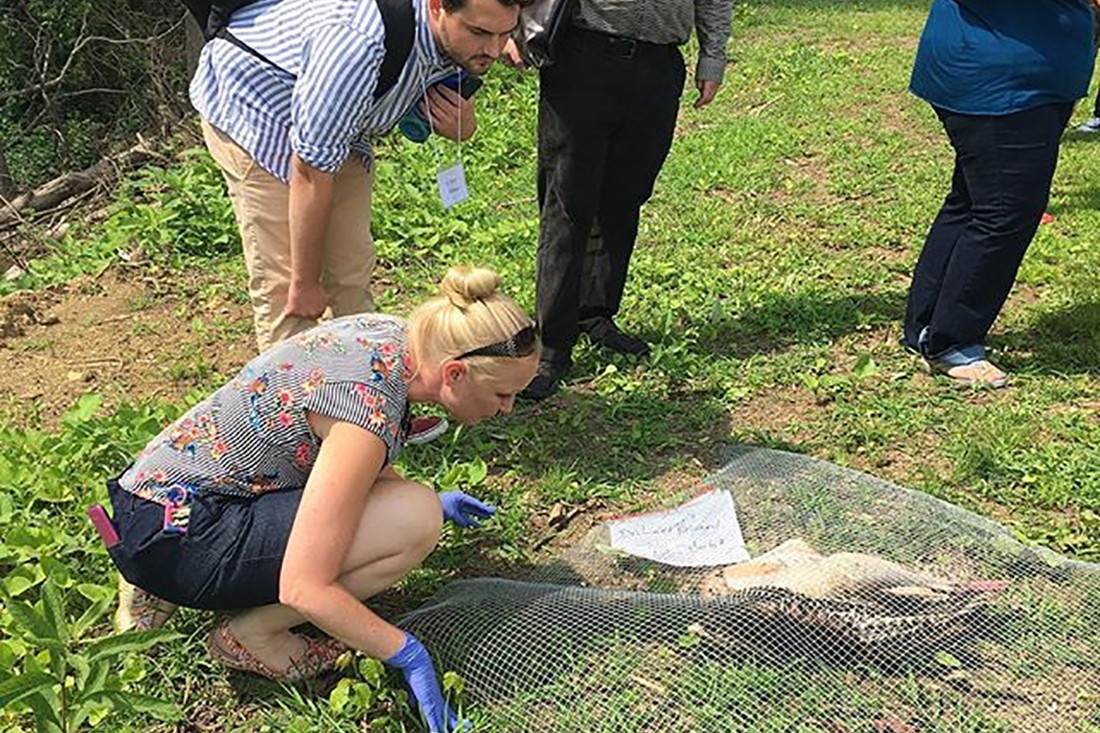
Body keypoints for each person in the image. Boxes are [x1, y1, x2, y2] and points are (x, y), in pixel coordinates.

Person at [104, 267, 538, 733]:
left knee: (414, 503)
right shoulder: (364, 410)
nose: (506, 409)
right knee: (414, 520)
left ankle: (151, 586)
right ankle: (253, 636)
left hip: (149, 502)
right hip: (186, 538)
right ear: (453, 373)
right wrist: (408, 654)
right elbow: (303, 586)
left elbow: (343, 456)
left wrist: (425, 494)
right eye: (502, 394)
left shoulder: (389, 336)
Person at [191, 0, 528, 352]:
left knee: (350, 271)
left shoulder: (458, 35)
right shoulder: (357, 42)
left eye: (505, 33)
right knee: (287, 291)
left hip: (341, 123)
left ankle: (360, 392)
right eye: (479, 32)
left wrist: (461, 122)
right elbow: (310, 170)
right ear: (436, 6)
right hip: (259, 106)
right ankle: (292, 400)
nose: (492, 49)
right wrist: (304, 283)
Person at [511, 0, 733, 400]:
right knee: (568, 204)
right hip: (584, 56)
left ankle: (597, 316)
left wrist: (713, 56)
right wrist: (514, 27)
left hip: (659, 65)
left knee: (625, 198)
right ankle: (552, 345)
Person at [902, 0, 1096, 387]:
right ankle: (951, 341)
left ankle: (926, 328)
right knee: (1005, 210)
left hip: (1027, 76)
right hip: (1000, 78)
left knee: (974, 202)